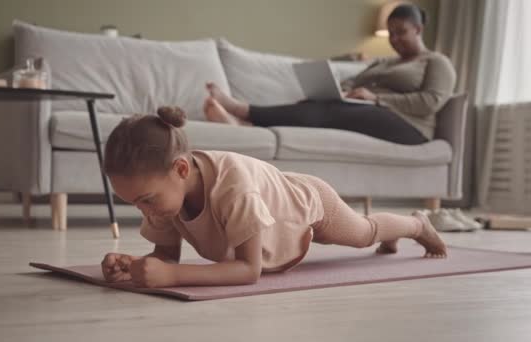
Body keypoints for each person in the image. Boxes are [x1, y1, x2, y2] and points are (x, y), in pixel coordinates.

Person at [100, 107, 447, 288]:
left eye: (145, 200)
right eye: (133, 202)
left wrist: (172, 277)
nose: (142, 210)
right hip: (274, 198)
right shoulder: (162, 192)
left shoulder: (234, 188)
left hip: (307, 202)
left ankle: (417, 224)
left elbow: (249, 270)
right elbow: (166, 256)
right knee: (365, 235)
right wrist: (134, 266)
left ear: (180, 170)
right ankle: (400, 234)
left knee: (364, 234)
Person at [203, 4, 456, 145]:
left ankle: (242, 111)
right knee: (319, 103)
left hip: (411, 127)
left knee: (332, 110)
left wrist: (378, 99)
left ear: (419, 29)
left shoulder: (437, 62)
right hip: (370, 110)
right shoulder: (385, 62)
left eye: (401, 32)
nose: (394, 39)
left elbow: (430, 102)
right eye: (391, 33)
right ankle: (245, 125)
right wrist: (343, 89)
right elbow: (354, 81)